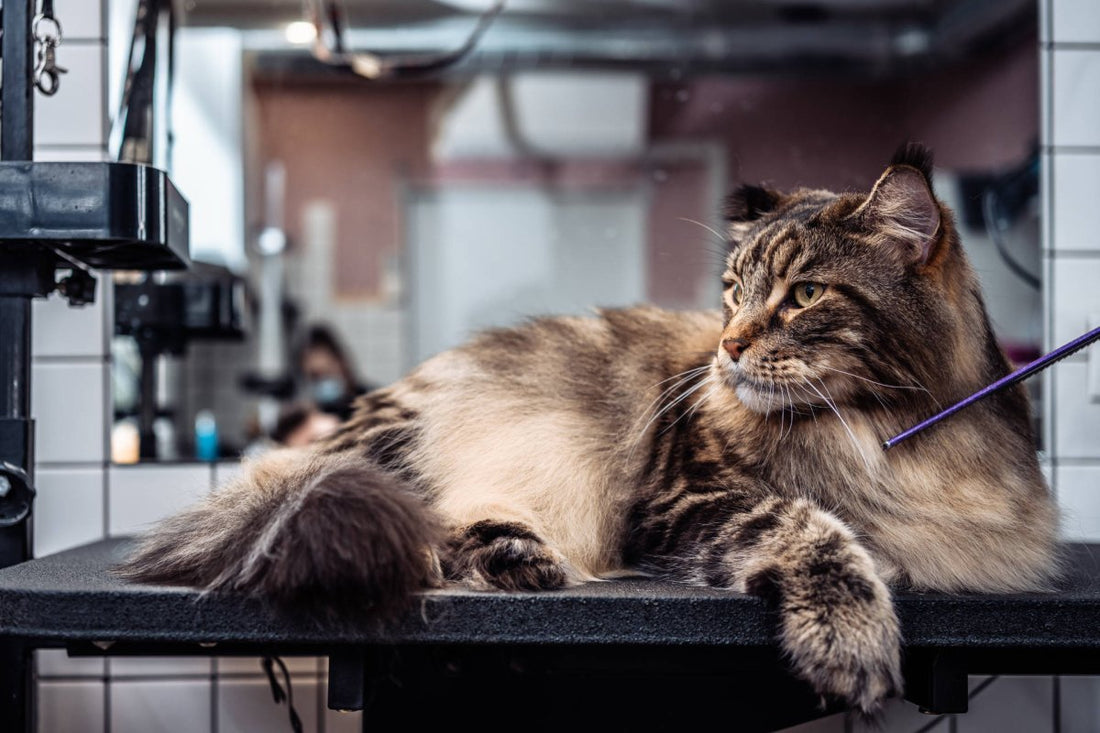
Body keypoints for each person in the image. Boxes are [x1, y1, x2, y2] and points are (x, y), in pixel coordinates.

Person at [296, 324, 371, 420]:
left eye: (327, 373)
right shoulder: (314, 417)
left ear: (342, 363)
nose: (323, 382)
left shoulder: (372, 404)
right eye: (315, 377)